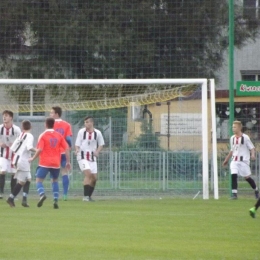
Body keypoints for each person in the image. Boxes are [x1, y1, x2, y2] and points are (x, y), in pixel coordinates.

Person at [29, 117, 71, 209]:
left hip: (44, 162)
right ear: (54, 125)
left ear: (45, 124)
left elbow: (40, 149)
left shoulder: (43, 135)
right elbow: (67, 148)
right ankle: (55, 199)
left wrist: (33, 158)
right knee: (55, 181)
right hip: (56, 163)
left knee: (38, 180)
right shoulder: (59, 135)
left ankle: (42, 194)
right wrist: (68, 161)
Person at [222, 120, 259, 200]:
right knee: (233, 174)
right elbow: (232, 150)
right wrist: (226, 160)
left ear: (239, 128)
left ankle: (256, 190)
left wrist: (252, 154)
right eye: (232, 127)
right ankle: (234, 194)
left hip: (244, 161)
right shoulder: (232, 138)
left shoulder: (245, 137)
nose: (233, 129)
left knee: (247, 178)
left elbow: (252, 147)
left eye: (235, 127)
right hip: (234, 161)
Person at [6, 120, 36, 207]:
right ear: (31, 127)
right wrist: (37, 150)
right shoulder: (29, 135)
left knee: (28, 179)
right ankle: (11, 199)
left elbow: (12, 148)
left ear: (22, 127)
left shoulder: (20, 135)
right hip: (23, 161)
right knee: (22, 182)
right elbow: (29, 147)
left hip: (17, 159)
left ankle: (24, 200)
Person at [75, 116, 105, 202]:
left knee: (94, 178)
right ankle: (85, 197)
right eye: (85, 122)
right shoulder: (81, 132)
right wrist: (77, 149)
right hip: (82, 156)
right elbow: (77, 144)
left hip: (92, 158)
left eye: (88, 122)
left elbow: (101, 144)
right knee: (88, 174)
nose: (86, 124)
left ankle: (89, 196)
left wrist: (97, 151)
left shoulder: (97, 133)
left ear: (92, 123)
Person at [50, 106, 72, 201]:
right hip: (63, 152)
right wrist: (68, 147)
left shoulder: (50, 124)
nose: (50, 114)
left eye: (51, 113)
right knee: (64, 172)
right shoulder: (67, 125)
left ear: (56, 114)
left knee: (54, 175)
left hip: (53, 152)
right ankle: (65, 195)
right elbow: (68, 139)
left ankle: (55, 195)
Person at [0, 110, 21, 198]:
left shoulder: (16, 129)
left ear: (11, 118)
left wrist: (15, 145)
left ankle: (12, 195)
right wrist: (0, 143)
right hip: (3, 155)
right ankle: (0, 193)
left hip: (13, 155)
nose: (4, 117)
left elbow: (21, 141)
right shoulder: (0, 128)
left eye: (7, 116)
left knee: (14, 174)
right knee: (2, 171)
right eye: (3, 115)